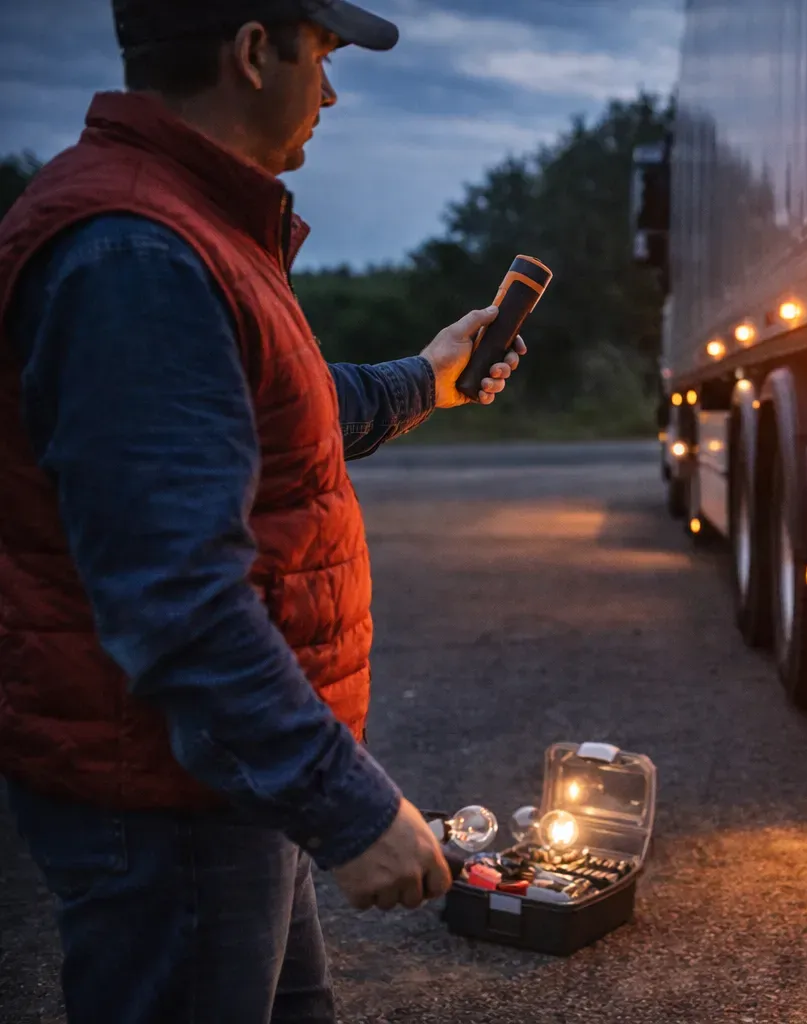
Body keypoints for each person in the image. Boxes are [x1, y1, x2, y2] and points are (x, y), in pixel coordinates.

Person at [0, 2, 525, 1021]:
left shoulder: (185, 231)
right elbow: (176, 597)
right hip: (170, 799)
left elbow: (285, 405)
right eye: (321, 56)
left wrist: (430, 377)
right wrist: (350, 805)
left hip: (227, 782)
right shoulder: (133, 255)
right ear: (251, 51)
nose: (329, 92)